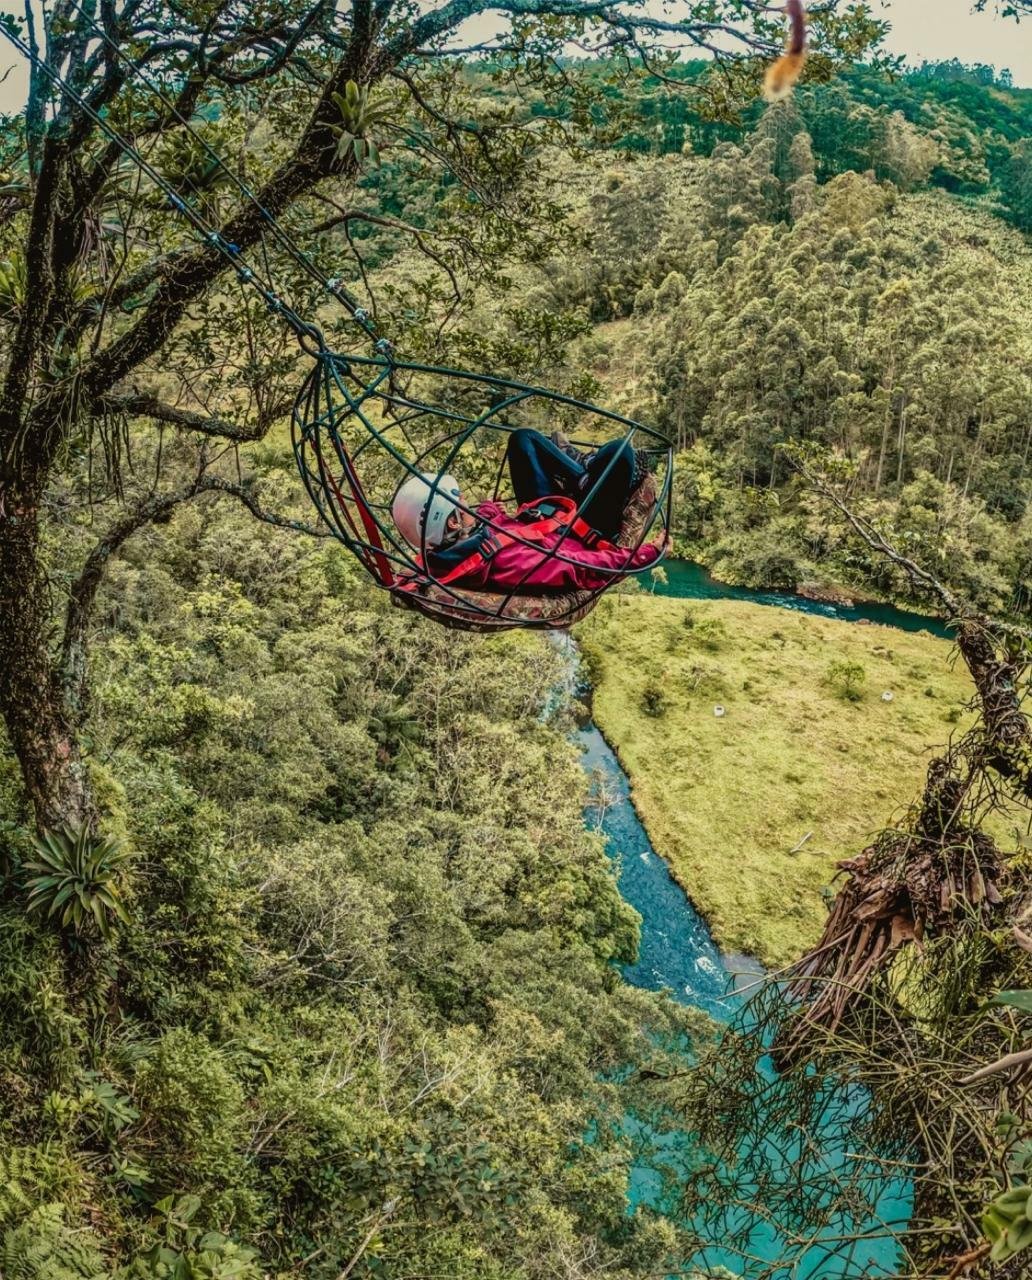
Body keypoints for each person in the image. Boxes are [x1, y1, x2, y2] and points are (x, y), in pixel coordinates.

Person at [391, 427, 666, 594]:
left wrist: (490, 511)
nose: (466, 502)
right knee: (618, 453)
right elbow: (580, 567)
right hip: (582, 531)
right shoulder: (512, 563)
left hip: (543, 513)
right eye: (460, 503)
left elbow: (484, 533)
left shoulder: (452, 549)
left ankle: (581, 475)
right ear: (451, 523)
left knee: (523, 439)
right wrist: (649, 554)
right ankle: (583, 471)